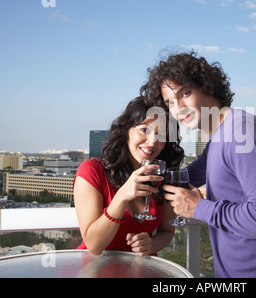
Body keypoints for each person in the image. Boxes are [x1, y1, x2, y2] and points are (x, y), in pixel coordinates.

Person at [141, 51, 256, 278]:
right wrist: (147, 178)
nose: (178, 109)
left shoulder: (241, 132)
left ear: (208, 87)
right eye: (170, 103)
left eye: (185, 93)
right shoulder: (220, 135)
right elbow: (194, 173)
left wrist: (199, 208)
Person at [73, 96, 184, 256]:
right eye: (144, 130)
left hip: (140, 270)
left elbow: (167, 232)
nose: (153, 141)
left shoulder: (162, 176)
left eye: (161, 135)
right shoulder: (92, 171)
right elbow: (94, 246)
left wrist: (151, 245)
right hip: (96, 270)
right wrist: (121, 197)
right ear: (126, 130)